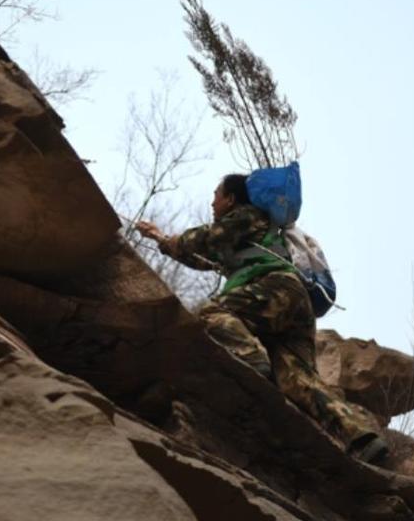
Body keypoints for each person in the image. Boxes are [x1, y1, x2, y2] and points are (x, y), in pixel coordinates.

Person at [136, 173, 388, 464]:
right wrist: (161, 239)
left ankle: (253, 359)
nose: (212, 202)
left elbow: (205, 240)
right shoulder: (250, 235)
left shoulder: (246, 216)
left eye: (216, 194)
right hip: (295, 302)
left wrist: (172, 239)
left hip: (275, 289)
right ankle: (362, 438)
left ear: (231, 199)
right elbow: (205, 259)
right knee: (298, 380)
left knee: (211, 314)